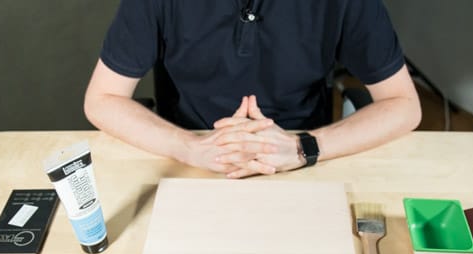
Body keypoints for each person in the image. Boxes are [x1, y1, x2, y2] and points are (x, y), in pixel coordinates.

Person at [84, 0, 422, 179]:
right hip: (191, 158)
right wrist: (190, 148)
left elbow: (404, 104)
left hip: (303, 158)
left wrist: (303, 148)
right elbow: (102, 100)